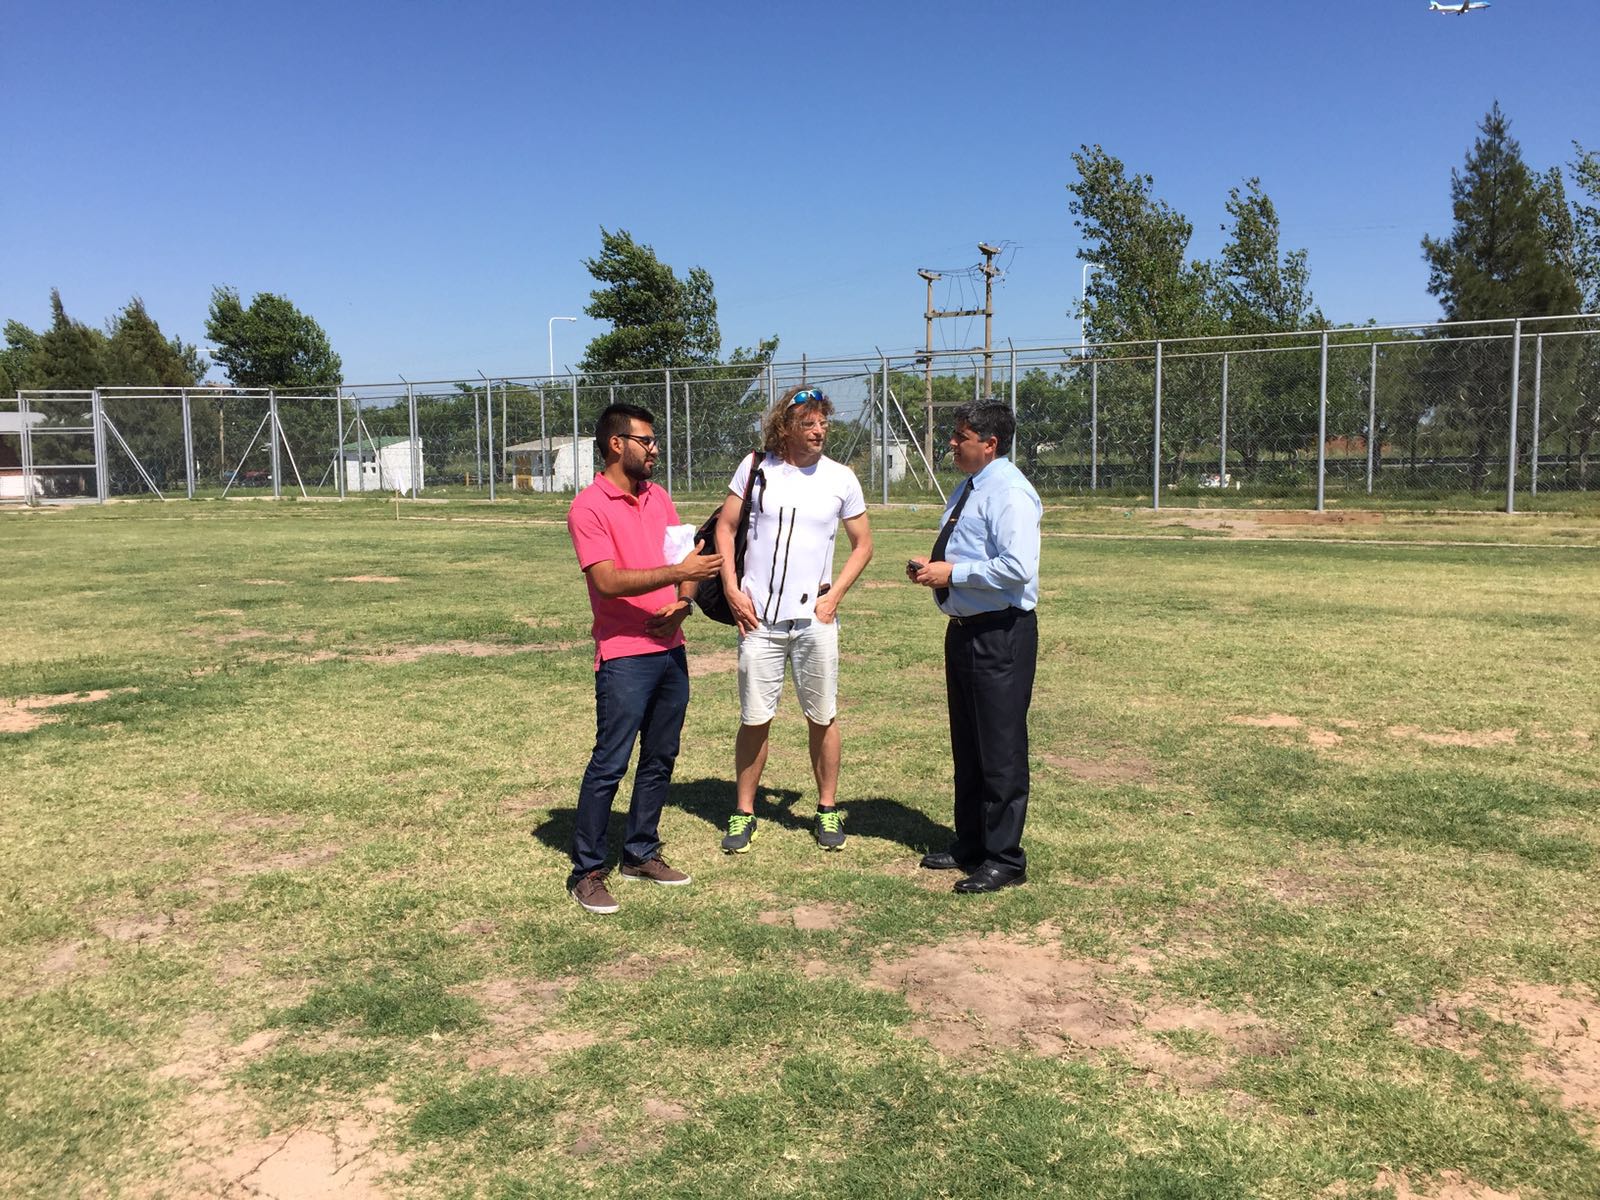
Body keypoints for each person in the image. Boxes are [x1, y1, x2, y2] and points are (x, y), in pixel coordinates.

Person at [564, 402, 723, 914]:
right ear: (617, 444)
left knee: (660, 757)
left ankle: (640, 852)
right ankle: (587, 870)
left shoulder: (660, 498)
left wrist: (684, 603)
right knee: (610, 763)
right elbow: (608, 581)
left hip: (670, 649)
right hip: (624, 656)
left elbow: (686, 564)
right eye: (647, 441)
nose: (655, 449)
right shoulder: (588, 507)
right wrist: (675, 570)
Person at [713, 386, 873, 853]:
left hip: (814, 621)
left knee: (822, 715)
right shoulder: (756, 467)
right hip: (758, 620)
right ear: (785, 427)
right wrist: (729, 586)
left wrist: (834, 596)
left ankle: (826, 809)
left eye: (823, 421)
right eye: (808, 422)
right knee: (755, 717)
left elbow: (863, 544)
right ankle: (744, 812)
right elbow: (725, 527)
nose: (819, 429)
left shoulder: (841, 479)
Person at [906, 398, 1041, 894]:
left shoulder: (1009, 492)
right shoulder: (970, 486)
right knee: (968, 743)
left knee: (1001, 749)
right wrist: (934, 567)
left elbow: (1016, 567)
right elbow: (970, 549)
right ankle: (971, 842)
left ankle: (1006, 857)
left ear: (990, 443)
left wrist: (953, 573)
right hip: (964, 631)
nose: (952, 444)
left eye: (960, 436)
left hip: (1000, 633)